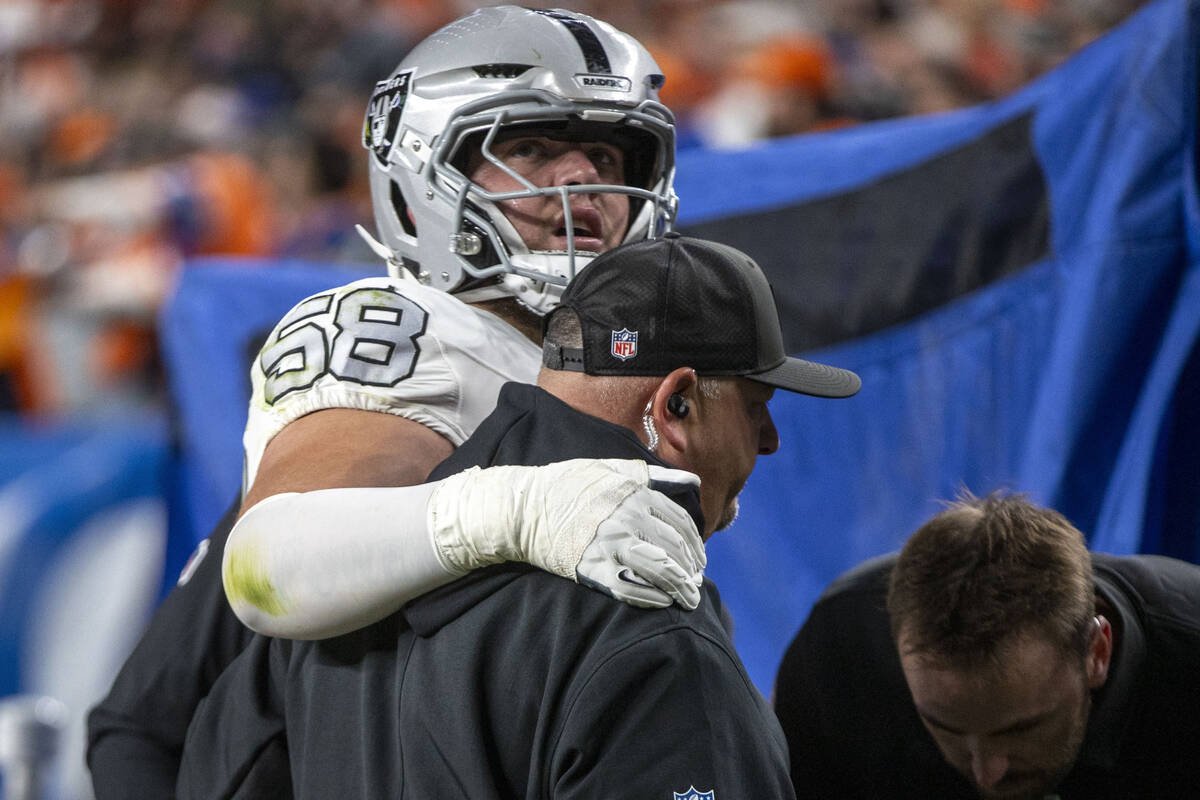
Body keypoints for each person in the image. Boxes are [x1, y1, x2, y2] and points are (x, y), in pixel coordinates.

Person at [87, 8, 705, 797]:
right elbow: (272, 564)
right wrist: (512, 510)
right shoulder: (406, 326)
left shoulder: (624, 363)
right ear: (423, 175)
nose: (583, 176)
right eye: (531, 147)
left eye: (609, 152)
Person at [175, 233, 861, 798]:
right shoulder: (650, 621)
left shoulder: (342, 598)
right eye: (755, 407)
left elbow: (214, 769)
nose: (769, 440)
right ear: (674, 406)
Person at [773, 491, 1200, 799]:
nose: (987, 773)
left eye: (1022, 729)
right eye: (946, 727)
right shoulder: (843, 652)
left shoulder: (1187, 655)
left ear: (1097, 653)